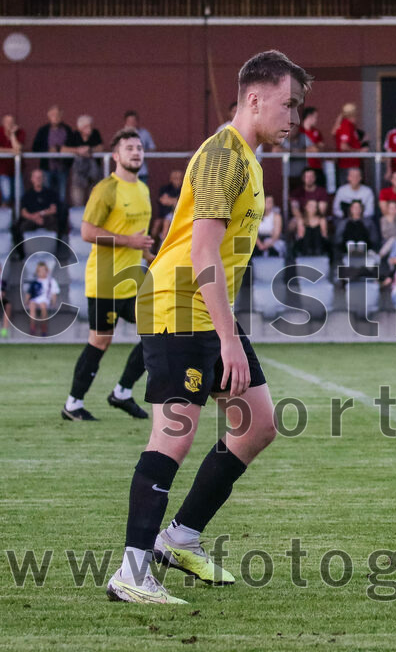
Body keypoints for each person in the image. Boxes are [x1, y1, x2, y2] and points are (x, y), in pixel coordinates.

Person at [107, 50, 312, 605]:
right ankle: (131, 571)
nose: (295, 115)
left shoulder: (249, 156)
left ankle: (180, 536)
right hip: (177, 303)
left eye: (299, 105)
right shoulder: (226, 155)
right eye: (288, 103)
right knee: (174, 433)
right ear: (254, 97)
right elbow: (202, 252)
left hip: (198, 307)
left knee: (257, 424)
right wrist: (228, 339)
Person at [61, 128, 154, 421]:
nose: (136, 152)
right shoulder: (106, 189)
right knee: (100, 340)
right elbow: (87, 232)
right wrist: (131, 243)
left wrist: (152, 257)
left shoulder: (144, 189)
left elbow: (140, 239)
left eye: (139, 147)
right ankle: (73, 405)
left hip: (133, 279)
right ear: (116, 156)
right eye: (129, 148)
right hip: (105, 281)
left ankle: (122, 392)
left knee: (157, 332)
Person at [31, 105, 73, 200]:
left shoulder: (67, 129)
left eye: (58, 115)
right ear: (48, 116)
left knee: (62, 195)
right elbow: (35, 148)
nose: (55, 117)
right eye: (53, 115)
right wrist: (48, 150)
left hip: (62, 168)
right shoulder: (43, 130)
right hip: (47, 168)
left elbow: (72, 146)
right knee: (47, 194)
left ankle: (60, 214)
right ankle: (48, 213)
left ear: (61, 116)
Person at [64, 115, 104, 206]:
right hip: (79, 173)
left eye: (90, 126)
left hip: (94, 172)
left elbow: (101, 147)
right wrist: (78, 150)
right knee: (77, 199)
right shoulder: (74, 135)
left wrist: (89, 150)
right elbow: (63, 149)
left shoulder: (95, 133)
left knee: (94, 200)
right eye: (87, 126)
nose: (89, 128)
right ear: (80, 128)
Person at [17, 168, 59, 234]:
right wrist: (34, 218)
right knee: (21, 226)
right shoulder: (27, 195)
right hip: (32, 219)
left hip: (46, 219)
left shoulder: (51, 193)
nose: (38, 179)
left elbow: (53, 209)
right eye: (36, 177)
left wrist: (40, 214)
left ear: (44, 179)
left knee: (54, 221)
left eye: (40, 177)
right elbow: (23, 213)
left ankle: (55, 244)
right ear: (31, 179)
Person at [24, 260, 59, 336]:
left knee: (43, 306)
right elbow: (29, 293)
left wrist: (53, 302)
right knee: (32, 305)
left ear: (47, 271)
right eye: (40, 271)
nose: (42, 272)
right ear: (37, 272)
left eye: (44, 270)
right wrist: (26, 301)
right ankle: (33, 326)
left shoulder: (51, 281)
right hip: (35, 300)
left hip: (45, 300)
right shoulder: (35, 282)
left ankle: (43, 326)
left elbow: (54, 293)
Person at [122, 111, 156, 184]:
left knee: (142, 194)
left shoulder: (144, 133)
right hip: (126, 172)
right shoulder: (121, 134)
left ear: (137, 122)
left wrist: (142, 151)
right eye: (129, 121)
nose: (131, 123)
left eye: (133, 121)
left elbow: (152, 148)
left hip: (141, 171)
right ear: (125, 122)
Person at [332, 102, 366, 173]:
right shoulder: (346, 125)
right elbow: (343, 146)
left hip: (352, 164)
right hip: (348, 165)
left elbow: (334, 133)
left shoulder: (350, 125)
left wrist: (362, 142)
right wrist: (359, 151)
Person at [0, 114, 26, 205]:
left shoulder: (20, 132)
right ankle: (6, 218)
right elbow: (14, 150)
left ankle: (18, 217)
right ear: (3, 123)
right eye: (7, 122)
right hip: (2, 170)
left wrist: (12, 135)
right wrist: (11, 150)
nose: (9, 124)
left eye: (11, 122)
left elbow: (18, 149)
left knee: (20, 195)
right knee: (6, 195)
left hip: (17, 170)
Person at [153, 170, 183, 243]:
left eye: (178, 178)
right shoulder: (165, 188)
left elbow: (181, 202)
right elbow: (162, 200)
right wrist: (175, 201)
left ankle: (162, 246)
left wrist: (170, 200)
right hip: (165, 213)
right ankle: (152, 246)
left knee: (166, 224)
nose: (177, 180)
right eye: (174, 178)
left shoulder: (184, 188)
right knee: (156, 226)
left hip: (179, 214)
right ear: (171, 179)